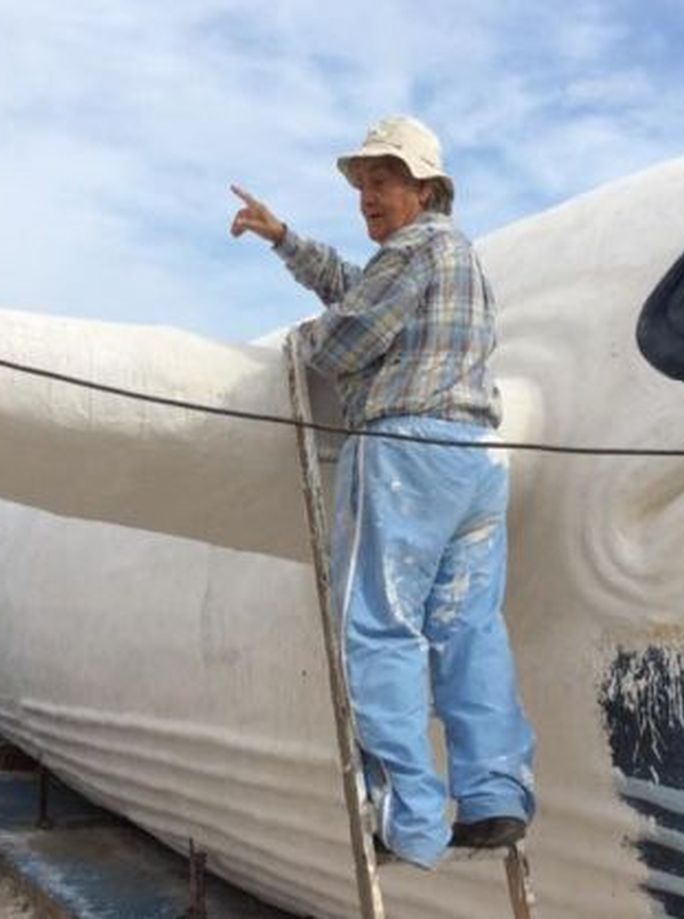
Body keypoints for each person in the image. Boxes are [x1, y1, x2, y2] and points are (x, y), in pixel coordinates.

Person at [230, 115, 536, 868]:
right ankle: (495, 797)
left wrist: (296, 344)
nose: (369, 195)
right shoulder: (453, 256)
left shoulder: (414, 252)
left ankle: (410, 823)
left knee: (380, 628)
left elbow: (347, 338)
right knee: (469, 629)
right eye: (363, 183)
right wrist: (284, 238)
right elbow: (357, 285)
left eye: (385, 180)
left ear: (425, 189)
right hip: (473, 460)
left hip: (405, 452)